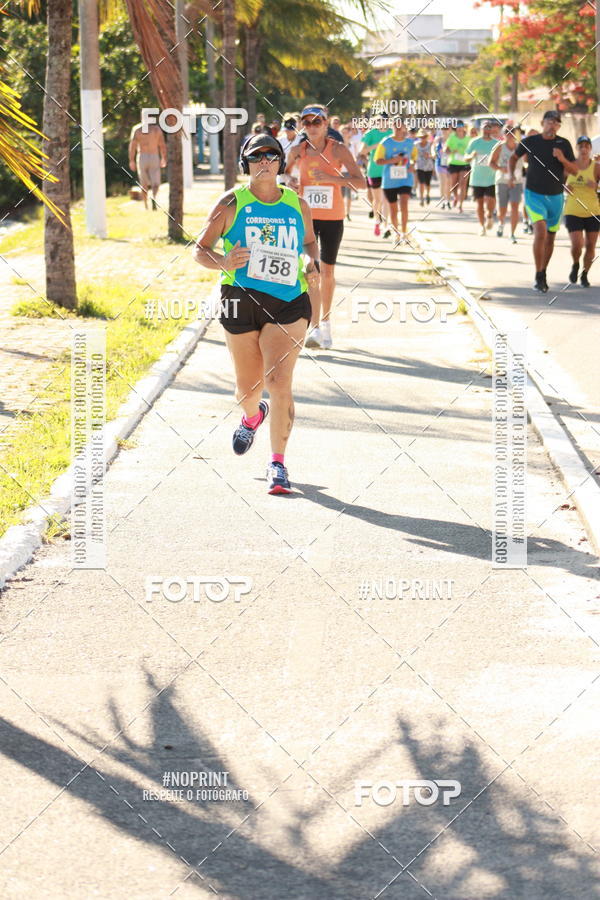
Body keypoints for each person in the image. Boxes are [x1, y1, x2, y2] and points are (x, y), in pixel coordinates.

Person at [193, 133, 320, 494]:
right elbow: (199, 250)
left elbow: (309, 241)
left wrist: (311, 261)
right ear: (245, 163)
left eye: (272, 155)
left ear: (281, 163)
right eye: (257, 156)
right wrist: (223, 260)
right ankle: (253, 415)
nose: (265, 161)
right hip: (240, 300)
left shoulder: (297, 203)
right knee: (248, 390)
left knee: (279, 383)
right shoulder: (231, 203)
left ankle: (277, 464)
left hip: (288, 302)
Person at [286, 105, 365, 349]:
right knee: (311, 269)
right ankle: (314, 326)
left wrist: (332, 179)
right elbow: (284, 174)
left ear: (326, 123)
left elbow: (360, 182)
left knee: (328, 272)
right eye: (306, 123)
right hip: (306, 216)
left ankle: (326, 322)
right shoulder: (299, 150)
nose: (311, 127)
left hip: (332, 216)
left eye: (316, 122)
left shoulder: (338, 149)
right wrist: (290, 181)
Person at [510, 110, 577, 292]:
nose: (552, 125)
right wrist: (511, 176)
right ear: (542, 123)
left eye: (556, 122)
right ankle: (538, 273)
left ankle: (543, 272)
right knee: (540, 231)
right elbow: (514, 157)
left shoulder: (564, 144)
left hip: (555, 197)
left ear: (559, 126)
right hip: (534, 194)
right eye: (549, 121)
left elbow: (574, 170)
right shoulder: (530, 142)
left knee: (550, 237)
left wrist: (562, 158)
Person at [563, 135, 600, 287]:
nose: (583, 149)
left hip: (592, 210)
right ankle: (576, 264)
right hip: (573, 209)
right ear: (576, 149)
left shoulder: (596, 167)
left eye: (586, 146)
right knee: (577, 244)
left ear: (590, 149)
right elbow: (559, 182)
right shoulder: (569, 165)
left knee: (591, 245)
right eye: (581, 146)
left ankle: (585, 274)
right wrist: (564, 188)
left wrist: (597, 187)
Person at [374, 116, 414, 242]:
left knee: (404, 204)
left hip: (405, 178)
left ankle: (404, 233)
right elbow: (377, 161)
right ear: (392, 127)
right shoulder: (385, 142)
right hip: (390, 180)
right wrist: (392, 160)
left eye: (400, 125)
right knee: (393, 208)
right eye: (395, 125)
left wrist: (412, 165)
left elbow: (414, 158)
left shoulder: (410, 143)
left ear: (404, 127)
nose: (398, 128)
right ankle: (396, 233)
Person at [357, 114, 392, 235]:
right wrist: (377, 145)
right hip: (374, 170)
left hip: (389, 170)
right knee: (378, 200)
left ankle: (386, 226)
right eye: (379, 120)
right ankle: (377, 221)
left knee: (387, 199)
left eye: (384, 120)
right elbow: (361, 151)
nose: (381, 122)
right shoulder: (371, 134)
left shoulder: (392, 133)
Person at [490, 127, 523, 242]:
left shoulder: (520, 147)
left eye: (512, 132)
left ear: (515, 134)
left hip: (516, 181)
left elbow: (529, 161)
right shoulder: (500, 147)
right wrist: (501, 168)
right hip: (502, 181)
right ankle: (501, 223)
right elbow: (491, 163)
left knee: (515, 207)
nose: (509, 134)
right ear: (504, 134)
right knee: (502, 209)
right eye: (507, 132)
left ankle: (512, 233)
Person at [465, 120, 497, 235]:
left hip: (492, 177)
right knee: (479, 203)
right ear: (481, 129)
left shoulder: (496, 143)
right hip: (477, 178)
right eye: (484, 127)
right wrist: (471, 156)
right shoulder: (474, 142)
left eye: (489, 127)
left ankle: (489, 215)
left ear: (491, 129)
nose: (486, 130)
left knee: (490, 201)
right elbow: (466, 157)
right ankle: (481, 226)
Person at [128, 119, 167, 210]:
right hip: (147, 156)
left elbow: (162, 144)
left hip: (149, 156)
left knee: (152, 182)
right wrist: (131, 160)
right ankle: (148, 202)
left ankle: (150, 200)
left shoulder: (154, 129)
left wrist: (164, 157)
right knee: (148, 182)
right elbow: (133, 146)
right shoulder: (139, 129)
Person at [445, 121, 470, 213]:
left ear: (464, 127)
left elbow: (472, 150)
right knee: (453, 185)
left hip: (465, 164)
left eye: (461, 126)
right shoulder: (452, 137)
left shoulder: (468, 138)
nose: (459, 128)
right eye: (458, 126)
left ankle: (460, 205)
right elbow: (445, 150)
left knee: (463, 184)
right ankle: (456, 197)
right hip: (453, 163)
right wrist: (452, 151)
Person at [414, 130, 434, 205]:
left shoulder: (430, 144)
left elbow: (434, 154)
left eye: (424, 137)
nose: (423, 138)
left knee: (427, 183)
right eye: (421, 137)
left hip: (429, 166)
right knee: (421, 183)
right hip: (419, 166)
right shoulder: (416, 145)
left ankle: (427, 194)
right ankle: (421, 199)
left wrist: (429, 156)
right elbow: (413, 155)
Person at [434, 127, 451, 209]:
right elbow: (433, 148)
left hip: (450, 164)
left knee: (448, 183)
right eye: (443, 129)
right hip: (440, 163)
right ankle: (442, 201)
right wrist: (433, 153)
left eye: (446, 128)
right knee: (442, 183)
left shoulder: (452, 139)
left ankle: (447, 200)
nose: (445, 130)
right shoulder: (438, 139)